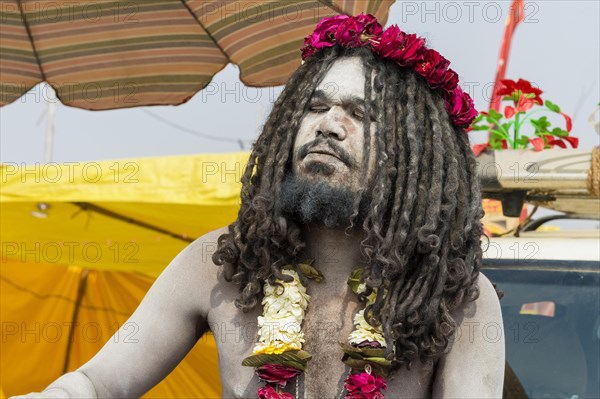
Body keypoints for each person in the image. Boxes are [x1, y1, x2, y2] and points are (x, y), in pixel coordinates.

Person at [12, 14, 504, 399]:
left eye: (359, 113)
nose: (327, 125)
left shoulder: (458, 299)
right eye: (314, 107)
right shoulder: (219, 265)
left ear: (411, 152)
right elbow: (98, 384)